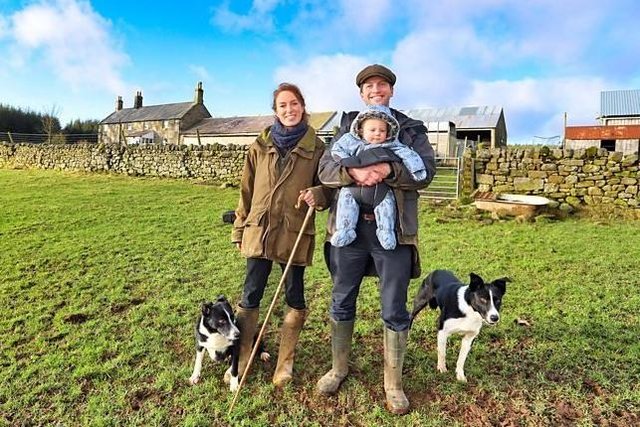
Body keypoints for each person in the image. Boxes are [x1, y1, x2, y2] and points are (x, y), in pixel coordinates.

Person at [316, 64, 436, 414]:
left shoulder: (411, 129)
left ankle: (393, 384)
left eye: (381, 85)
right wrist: (352, 171)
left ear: (391, 91)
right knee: (341, 298)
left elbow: (425, 171)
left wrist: (387, 169)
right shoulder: (346, 125)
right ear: (361, 93)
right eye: (369, 86)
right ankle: (339, 368)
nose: (375, 90)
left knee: (394, 305)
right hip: (348, 229)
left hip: (395, 231)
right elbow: (326, 169)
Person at [231, 82, 330, 387]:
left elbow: (328, 188)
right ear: (275, 111)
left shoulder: (318, 148)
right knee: (250, 295)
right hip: (259, 229)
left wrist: (318, 194)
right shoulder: (259, 146)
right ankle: (243, 357)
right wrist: (239, 228)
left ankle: (285, 363)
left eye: (294, 104)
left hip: (295, 231)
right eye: (283, 105)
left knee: (294, 296)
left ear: (303, 106)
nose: (289, 110)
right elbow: (246, 191)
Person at [329, 104, 426, 250]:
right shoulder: (351, 142)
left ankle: (385, 232)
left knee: (387, 207)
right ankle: (345, 230)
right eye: (372, 130)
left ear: (388, 132)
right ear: (360, 130)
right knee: (346, 202)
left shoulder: (392, 145)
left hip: (381, 190)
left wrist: (417, 170)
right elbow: (337, 149)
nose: (377, 134)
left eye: (382, 130)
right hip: (353, 187)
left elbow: (409, 155)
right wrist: (348, 165)